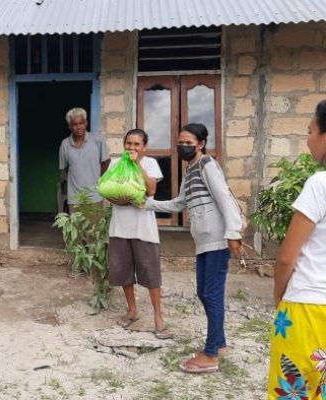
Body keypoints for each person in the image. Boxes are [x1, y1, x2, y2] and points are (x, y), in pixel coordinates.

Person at [143, 123, 242, 373]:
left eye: (188, 142)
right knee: (203, 292)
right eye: (180, 142)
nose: (183, 146)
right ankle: (219, 343)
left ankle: (210, 354)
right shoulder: (190, 171)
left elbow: (224, 198)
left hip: (218, 240)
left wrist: (233, 233)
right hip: (203, 242)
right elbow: (178, 204)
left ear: (201, 144)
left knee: (211, 294)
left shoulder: (207, 164)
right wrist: (146, 204)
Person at [268, 100, 326, 399]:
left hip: (306, 308)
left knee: (293, 390)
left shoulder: (319, 184)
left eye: (311, 130)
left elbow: (286, 257)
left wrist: (280, 294)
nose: (308, 139)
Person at [107, 129, 171, 339]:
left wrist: (136, 164)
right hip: (120, 227)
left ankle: (158, 318)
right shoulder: (115, 164)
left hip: (144, 228)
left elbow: (151, 190)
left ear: (144, 147)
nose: (131, 148)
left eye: (136, 144)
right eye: (128, 144)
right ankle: (132, 311)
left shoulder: (150, 163)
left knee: (150, 272)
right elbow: (109, 192)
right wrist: (126, 200)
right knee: (123, 271)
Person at [59, 107, 110, 212]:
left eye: (81, 123)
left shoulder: (97, 140)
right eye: (75, 124)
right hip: (74, 198)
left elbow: (106, 161)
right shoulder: (65, 144)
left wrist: (98, 178)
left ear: (86, 123)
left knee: (94, 228)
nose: (79, 127)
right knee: (76, 228)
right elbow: (65, 168)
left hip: (94, 196)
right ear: (69, 126)